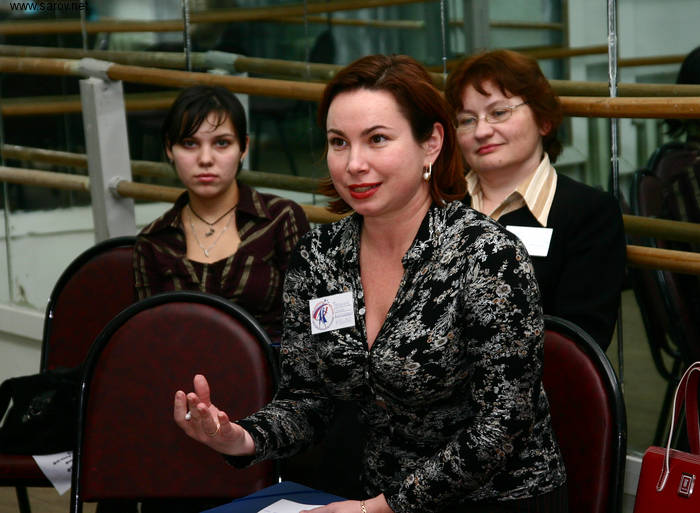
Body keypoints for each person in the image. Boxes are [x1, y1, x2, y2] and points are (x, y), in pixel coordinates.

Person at [175, 54, 567, 513]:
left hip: (496, 499)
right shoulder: (320, 257)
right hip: (372, 497)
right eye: (338, 142)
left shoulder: (487, 255)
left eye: (377, 139)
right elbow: (307, 400)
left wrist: (378, 507)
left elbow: (502, 424)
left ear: (431, 143)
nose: (354, 164)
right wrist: (239, 437)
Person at [445, 49, 626, 350]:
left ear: (543, 120)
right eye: (466, 120)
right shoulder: (439, 205)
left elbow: (579, 343)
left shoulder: (588, 213)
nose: (482, 131)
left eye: (499, 113)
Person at [133, 85, 310, 342]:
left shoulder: (281, 218)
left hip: (274, 364)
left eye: (222, 143)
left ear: (243, 147)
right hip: (184, 364)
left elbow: (312, 322)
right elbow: (151, 337)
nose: (205, 159)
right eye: (190, 143)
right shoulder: (153, 240)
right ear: (169, 149)